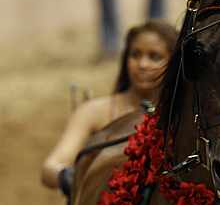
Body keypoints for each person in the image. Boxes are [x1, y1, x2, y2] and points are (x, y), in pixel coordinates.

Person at [41, 20, 177, 193]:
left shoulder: (181, 116)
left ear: (173, 63)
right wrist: (74, 179)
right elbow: (50, 168)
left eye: (155, 57)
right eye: (135, 55)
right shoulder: (94, 111)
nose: (142, 64)